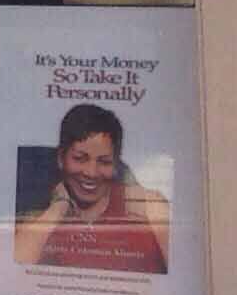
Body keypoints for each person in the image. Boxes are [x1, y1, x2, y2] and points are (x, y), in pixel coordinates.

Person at [17, 101, 171, 273]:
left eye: (104, 162)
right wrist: (59, 207)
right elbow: (13, 272)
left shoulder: (147, 205)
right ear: (61, 158)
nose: (91, 172)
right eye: (80, 158)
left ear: (115, 164)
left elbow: (181, 273)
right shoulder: (41, 217)